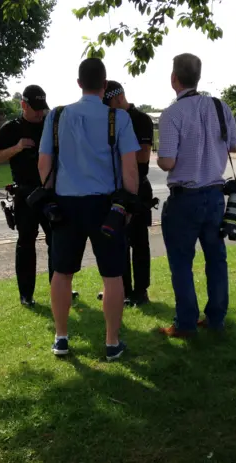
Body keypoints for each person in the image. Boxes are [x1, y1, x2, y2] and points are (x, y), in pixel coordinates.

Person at [38, 58, 140, 360]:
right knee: (112, 275)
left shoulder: (56, 117)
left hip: (66, 204)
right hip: (106, 206)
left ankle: (61, 337)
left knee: (62, 273)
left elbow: (44, 164)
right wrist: (128, 204)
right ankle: (111, 343)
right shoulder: (118, 118)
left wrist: (49, 199)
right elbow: (130, 168)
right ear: (105, 85)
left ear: (79, 83)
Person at [157, 53, 236, 338]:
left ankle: (186, 323)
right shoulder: (220, 107)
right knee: (216, 258)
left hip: (185, 198)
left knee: (181, 262)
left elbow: (167, 162)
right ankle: (216, 318)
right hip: (216, 195)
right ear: (198, 77)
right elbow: (235, 146)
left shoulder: (172, 114)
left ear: (174, 79)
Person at [0, 85, 77, 307]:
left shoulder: (51, 126)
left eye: (42, 108)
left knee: (56, 242)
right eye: (35, 108)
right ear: (23, 105)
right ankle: (26, 294)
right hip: (25, 193)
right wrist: (16, 148)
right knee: (26, 243)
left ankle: (59, 287)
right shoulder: (12, 129)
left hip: (51, 192)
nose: (39, 113)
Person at [101, 80, 155, 306]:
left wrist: (119, 154)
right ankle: (121, 289)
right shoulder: (108, 120)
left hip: (138, 187)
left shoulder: (141, 119)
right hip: (114, 189)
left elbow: (143, 156)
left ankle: (140, 290)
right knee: (116, 242)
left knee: (139, 242)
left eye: (109, 103)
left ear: (118, 97)